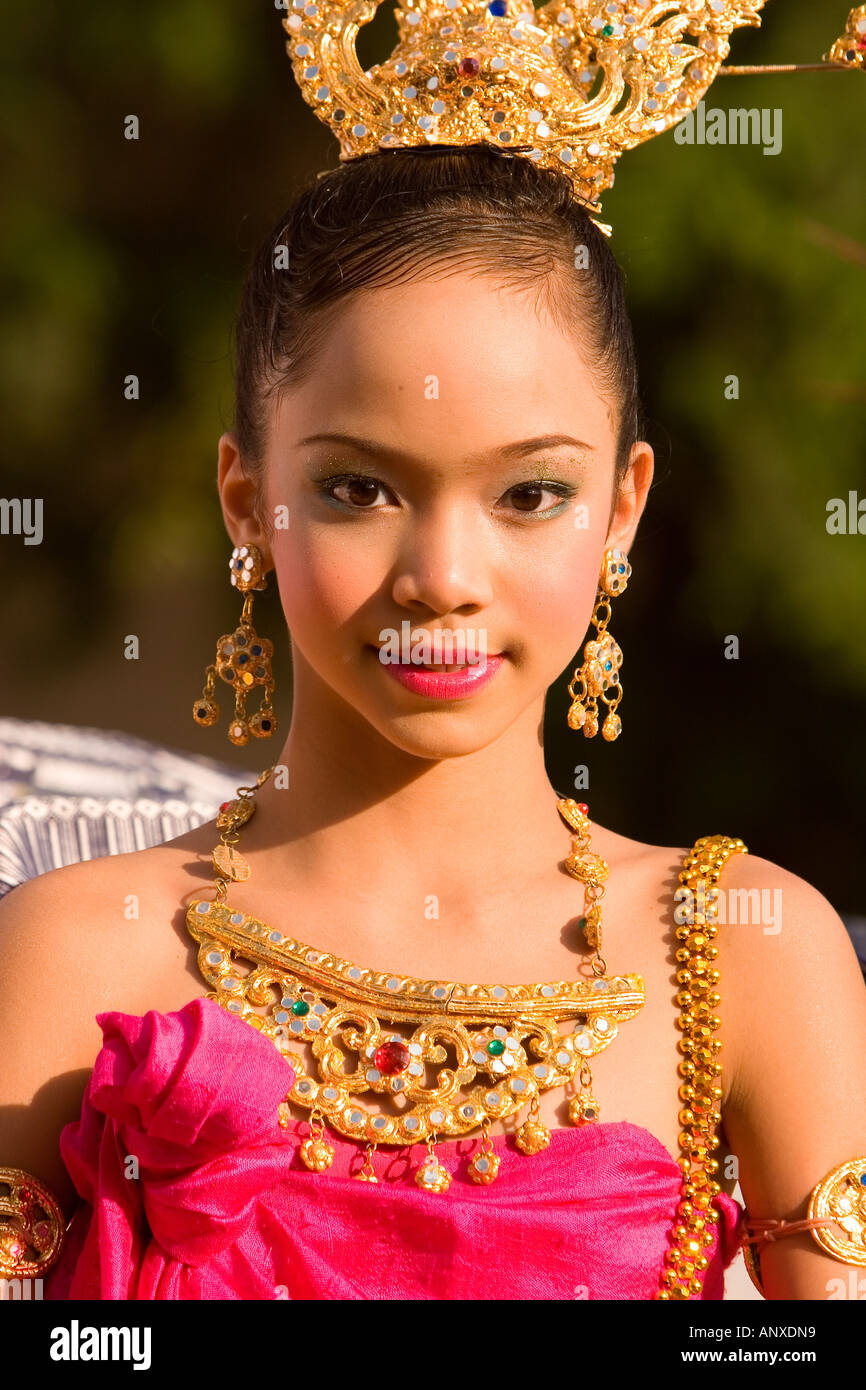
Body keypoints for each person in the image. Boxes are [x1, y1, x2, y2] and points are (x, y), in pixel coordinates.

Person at [1, 7, 865, 1305]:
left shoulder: (741, 953)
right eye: (356, 489)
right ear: (246, 500)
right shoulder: (75, 951)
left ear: (622, 505)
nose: (443, 578)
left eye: (529, 496)